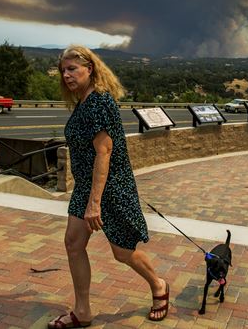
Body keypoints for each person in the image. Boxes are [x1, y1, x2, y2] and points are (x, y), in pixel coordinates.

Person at [48, 46, 168, 329]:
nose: (66, 75)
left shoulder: (99, 102)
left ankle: (159, 284)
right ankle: (83, 311)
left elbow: (104, 152)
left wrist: (94, 203)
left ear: (90, 69)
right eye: (63, 70)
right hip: (86, 187)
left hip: (110, 189)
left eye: (72, 69)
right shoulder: (83, 102)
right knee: (73, 243)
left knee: (123, 251)